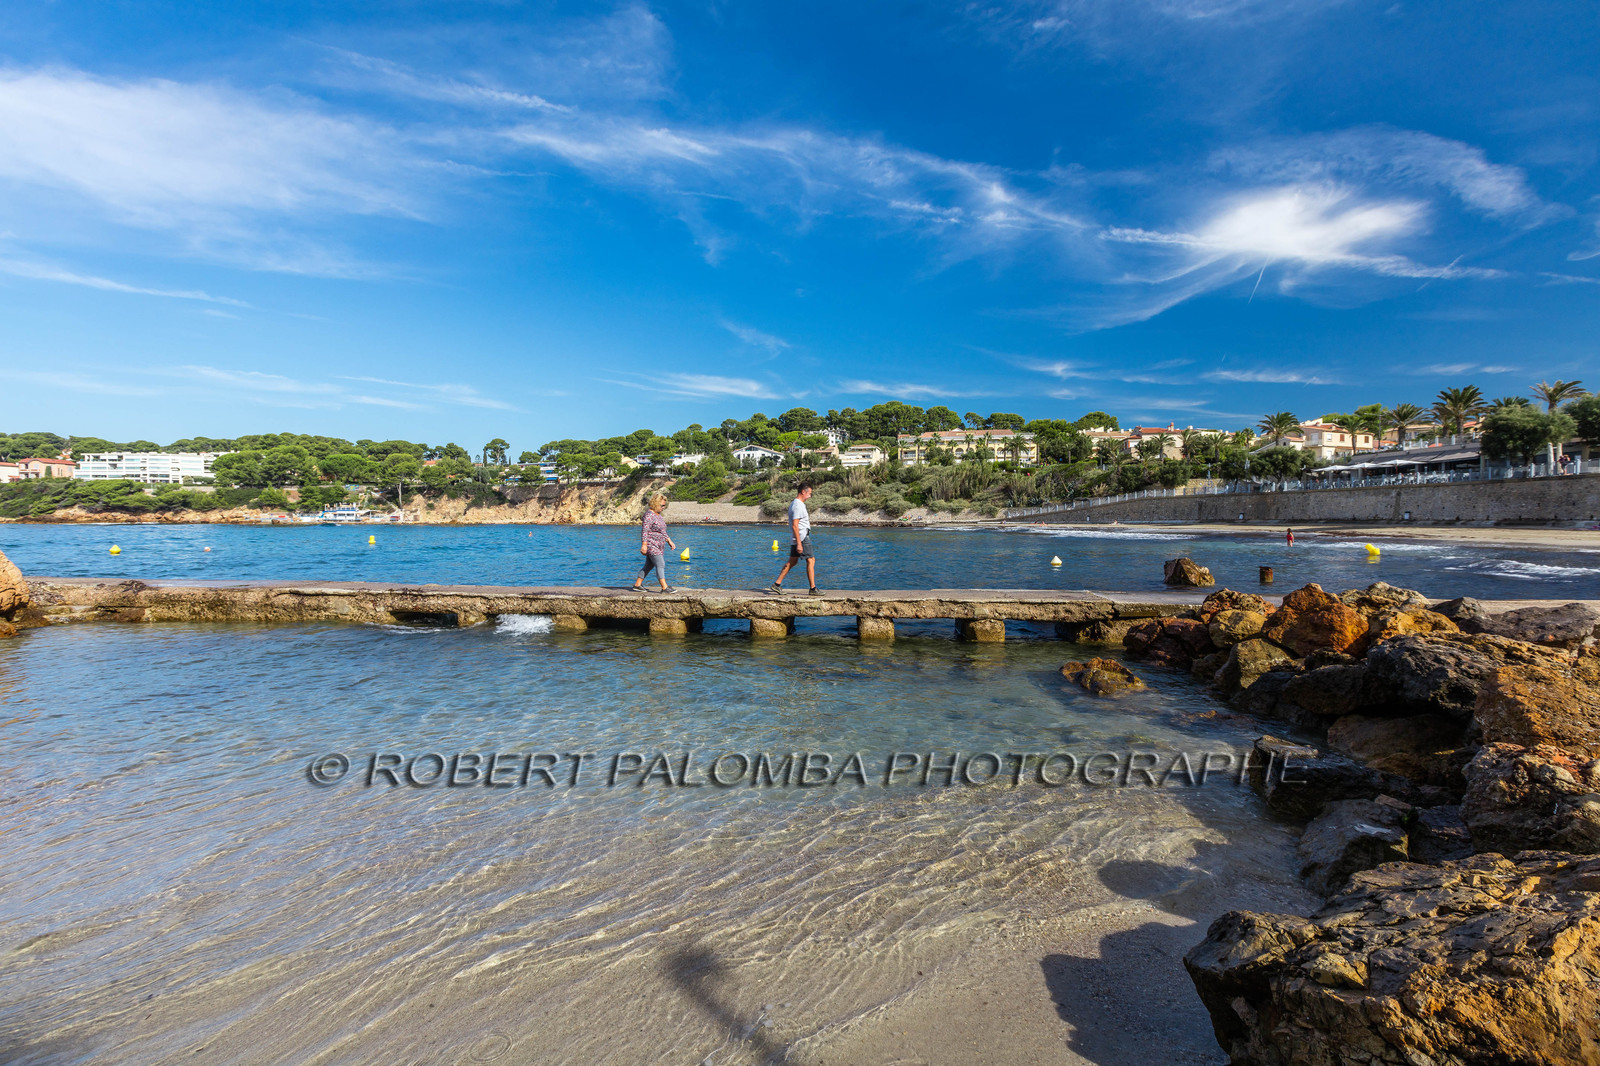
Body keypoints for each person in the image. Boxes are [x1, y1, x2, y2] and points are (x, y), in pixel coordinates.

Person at [766, 482, 818, 595]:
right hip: (802, 537)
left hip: (798, 537)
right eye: (809, 493)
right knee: (811, 560)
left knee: (792, 561)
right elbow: (795, 525)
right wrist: (799, 543)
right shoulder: (798, 505)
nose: (810, 496)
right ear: (803, 492)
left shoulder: (796, 504)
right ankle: (813, 589)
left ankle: (776, 584)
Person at [631, 494, 676, 593]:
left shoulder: (658, 516)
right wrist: (644, 544)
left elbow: (662, 531)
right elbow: (645, 531)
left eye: (664, 505)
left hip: (660, 545)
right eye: (662, 505)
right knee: (660, 564)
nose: (663, 508)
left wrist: (669, 540)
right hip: (651, 544)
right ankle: (664, 587)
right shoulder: (649, 515)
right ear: (655, 504)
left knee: (649, 566)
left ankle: (637, 585)